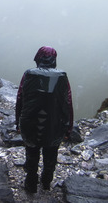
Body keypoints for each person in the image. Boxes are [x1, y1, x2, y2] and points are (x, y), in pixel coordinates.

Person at [15, 46, 73, 193]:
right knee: (51, 155)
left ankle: (31, 184)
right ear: (54, 59)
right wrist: (68, 127)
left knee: (32, 154)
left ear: (38, 57)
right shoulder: (62, 76)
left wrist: (18, 122)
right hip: (55, 124)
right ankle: (46, 182)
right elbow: (67, 102)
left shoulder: (29, 74)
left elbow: (21, 98)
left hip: (30, 123)